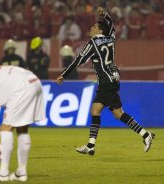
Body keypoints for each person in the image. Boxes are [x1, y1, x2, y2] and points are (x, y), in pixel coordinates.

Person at [55, 7, 155, 155]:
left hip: (106, 81)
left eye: (94, 27)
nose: (91, 28)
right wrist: (105, 15)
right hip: (112, 77)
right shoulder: (111, 37)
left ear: (100, 30)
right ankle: (90, 145)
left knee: (119, 114)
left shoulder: (93, 43)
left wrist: (64, 74)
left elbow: (78, 61)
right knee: (95, 111)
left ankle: (145, 135)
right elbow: (111, 24)